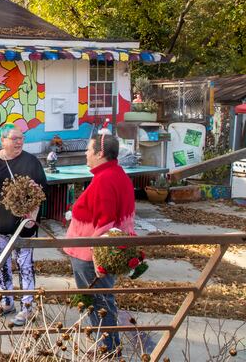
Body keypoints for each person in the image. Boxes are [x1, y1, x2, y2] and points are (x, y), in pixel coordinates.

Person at [63, 134, 136, 354]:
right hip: (91, 252)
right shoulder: (115, 174)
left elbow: (105, 224)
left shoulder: (105, 179)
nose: (86, 153)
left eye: (88, 149)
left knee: (99, 300)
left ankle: (108, 347)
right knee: (101, 298)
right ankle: (105, 342)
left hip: (89, 255)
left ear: (100, 153)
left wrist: (98, 260)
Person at [0, 123, 48, 326]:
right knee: (1, 266)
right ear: (2, 140)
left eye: (21, 138)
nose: (19, 142)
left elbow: (43, 190)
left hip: (23, 226)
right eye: (15, 139)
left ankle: (27, 308)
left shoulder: (31, 163)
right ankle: (6, 302)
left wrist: (34, 196)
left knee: (25, 266)